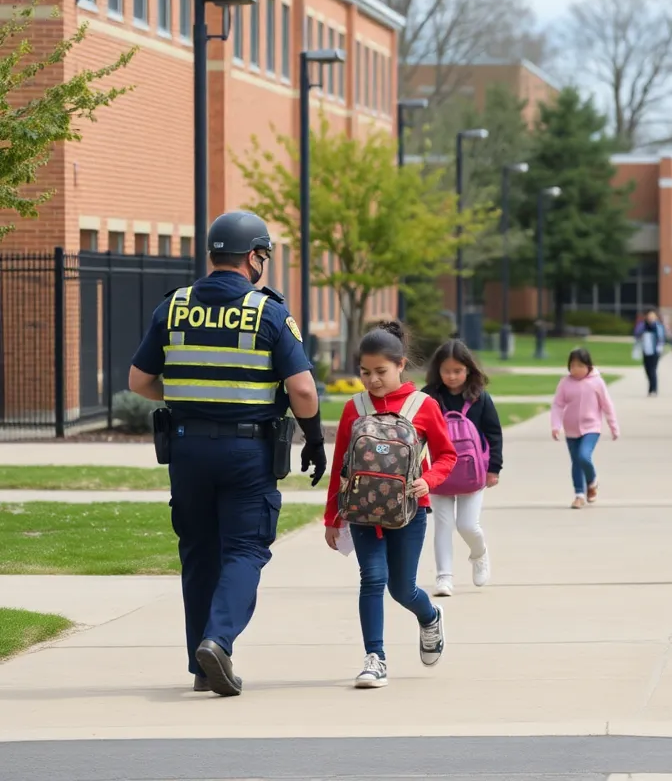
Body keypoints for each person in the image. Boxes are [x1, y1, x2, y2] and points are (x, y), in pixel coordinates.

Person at [128, 210, 326, 697]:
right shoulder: (267, 312)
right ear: (254, 256)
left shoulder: (174, 307)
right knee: (244, 549)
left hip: (186, 448)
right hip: (246, 451)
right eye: (264, 257)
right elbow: (302, 389)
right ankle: (217, 642)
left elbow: (139, 381)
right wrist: (315, 439)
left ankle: (201, 666)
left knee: (198, 552)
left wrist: (188, 397)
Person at [323, 321, 457, 689]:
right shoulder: (355, 407)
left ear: (400, 364)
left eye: (380, 371)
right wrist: (332, 517)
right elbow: (340, 465)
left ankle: (429, 616)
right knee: (372, 578)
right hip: (362, 511)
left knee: (401, 589)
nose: (372, 380)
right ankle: (375, 658)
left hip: (409, 511)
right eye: (365, 372)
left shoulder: (424, 406)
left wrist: (428, 480)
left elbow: (447, 456)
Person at [423, 339, 503, 598]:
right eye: (446, 371)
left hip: (473, 472)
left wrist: (494, 468)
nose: (452, 376)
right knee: (443, 525)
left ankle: (479, 553)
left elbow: (494, 434)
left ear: (468, 369)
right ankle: (444, 577)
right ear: (438, 370)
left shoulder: (480, 398)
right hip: (439, 472)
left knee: (467, 525)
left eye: (458, 371)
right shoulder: (429, 397)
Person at [551, 348, 620, 509]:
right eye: (572, 366)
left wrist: (613, 426)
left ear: (588, 366)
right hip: (571, 429)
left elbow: (607, 405)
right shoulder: (565, 383)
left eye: (580, 366)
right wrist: (556, 425)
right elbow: (558, 405)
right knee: (576, 461)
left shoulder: (597, 382)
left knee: (584, 456)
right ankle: (579, 495)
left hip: (591, 428)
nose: (576, 369)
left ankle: (592, 480)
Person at [633, 309, 666, 397]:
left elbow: (662, 338)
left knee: (652, 369)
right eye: (649, 316)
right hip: (646, 350)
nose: (651, 318)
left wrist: (660, 348)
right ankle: (651, 388)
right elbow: (636, 334)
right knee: (647, 369)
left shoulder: (658, 326)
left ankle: (654, 389)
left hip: (655, 351)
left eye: (652, 316)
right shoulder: (643, 325)